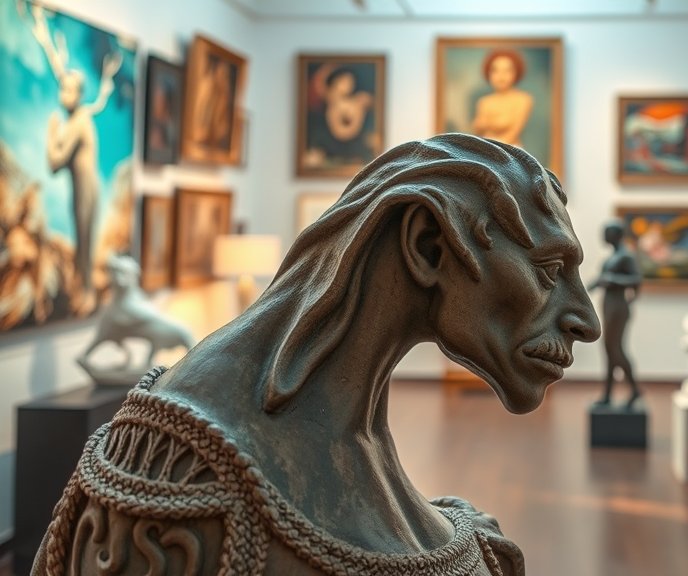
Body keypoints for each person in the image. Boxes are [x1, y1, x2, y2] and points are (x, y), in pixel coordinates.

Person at [32, 134, 600, 576]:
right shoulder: (175, 475)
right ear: (427, 245)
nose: (587, 322)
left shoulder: (350, 427)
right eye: (549, 272)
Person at [24, 2, 122, 316]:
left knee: (84, 244)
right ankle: (84, 294)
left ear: (78, 95)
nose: (61, 96)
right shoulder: (80, 120)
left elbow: (54, 163)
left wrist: (51, 133)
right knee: (84, 243)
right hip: (87, 187)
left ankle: (84, 295)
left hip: (86, 189)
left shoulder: (77, 123)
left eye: (67, 91)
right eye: (61, 90)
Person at [589, 220, 643, 410]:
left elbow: (636, 280)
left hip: (618, 306)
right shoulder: (612, 257)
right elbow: (601, 280)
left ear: (616, 234)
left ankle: (634, 389)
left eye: (607, 231)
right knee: (609, 350)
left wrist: (612, 280)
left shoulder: (626, 256)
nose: (603, 235)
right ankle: (607, 394)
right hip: (609, 305)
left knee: (615, 349)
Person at [304, 65, 374, 167]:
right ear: (336, 81)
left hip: (350, 147)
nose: (349, 85)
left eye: (351, 82)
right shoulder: (325, 105)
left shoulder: (355, 103)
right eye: (345, 81)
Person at [471, 49, 533, 148]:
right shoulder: (484, 102)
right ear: (489, 73)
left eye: (507, 70)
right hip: (486, 149)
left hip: (510, 149)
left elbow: (513, 132)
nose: (501, 76)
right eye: (495, 71)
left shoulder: (522, 99)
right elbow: (478, 130)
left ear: (516, 73)